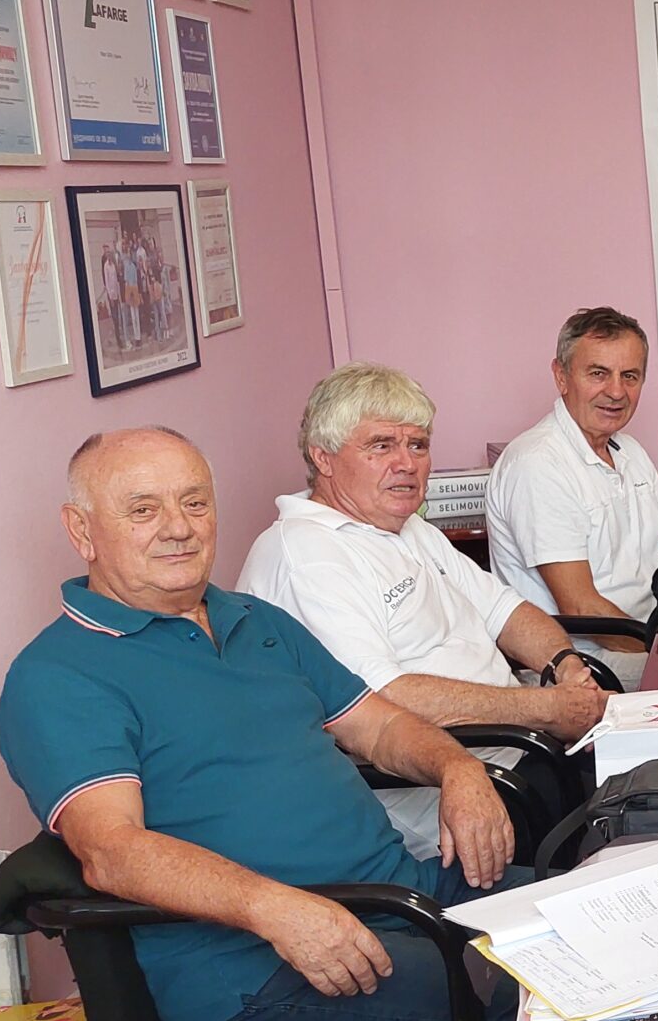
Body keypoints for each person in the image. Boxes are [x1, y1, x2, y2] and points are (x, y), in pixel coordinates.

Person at [0, 428, 528, 1021]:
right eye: (143, 510)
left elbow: (380, 727)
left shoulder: (256, 620)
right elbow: (113, 851)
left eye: (195, 502)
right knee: (538, 985)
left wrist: (459, 768)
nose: (179, 528)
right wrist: (273, 908)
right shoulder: (58, 675)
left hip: (401, 895)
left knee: (608, 914)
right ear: (81, 531)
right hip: (260, 965)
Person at [241, 364, 609, 861]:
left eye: (417, 445)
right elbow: (381, 698)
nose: (407, 464)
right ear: (322, 457)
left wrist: (565, 668)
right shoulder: (306, 555)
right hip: (444, 798)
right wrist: (546, 710)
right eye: (381, 446)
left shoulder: (408, 527)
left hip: (520, 748)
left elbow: (504, 611)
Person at [487, 306, 658, 684]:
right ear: (561, 376)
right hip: (586, 661)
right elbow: (581, 606)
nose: (616, 392)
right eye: (598, 373)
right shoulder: (537, 463)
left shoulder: (632, 453)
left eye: (630, 376)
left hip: (643, 639)